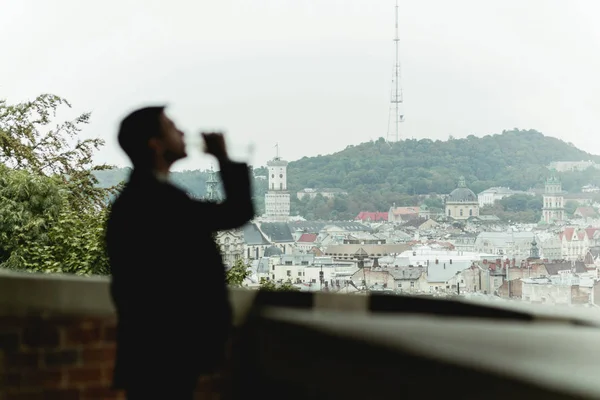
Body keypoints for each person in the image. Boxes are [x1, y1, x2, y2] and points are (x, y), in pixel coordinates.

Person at [105, 106, 255, 399]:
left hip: (152, 350)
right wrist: (223, 158)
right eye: (173, 127)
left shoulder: (138, 199)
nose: (184, 132)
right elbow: (237, 213)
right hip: (167, 350)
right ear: (156, 144)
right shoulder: (159, 200)